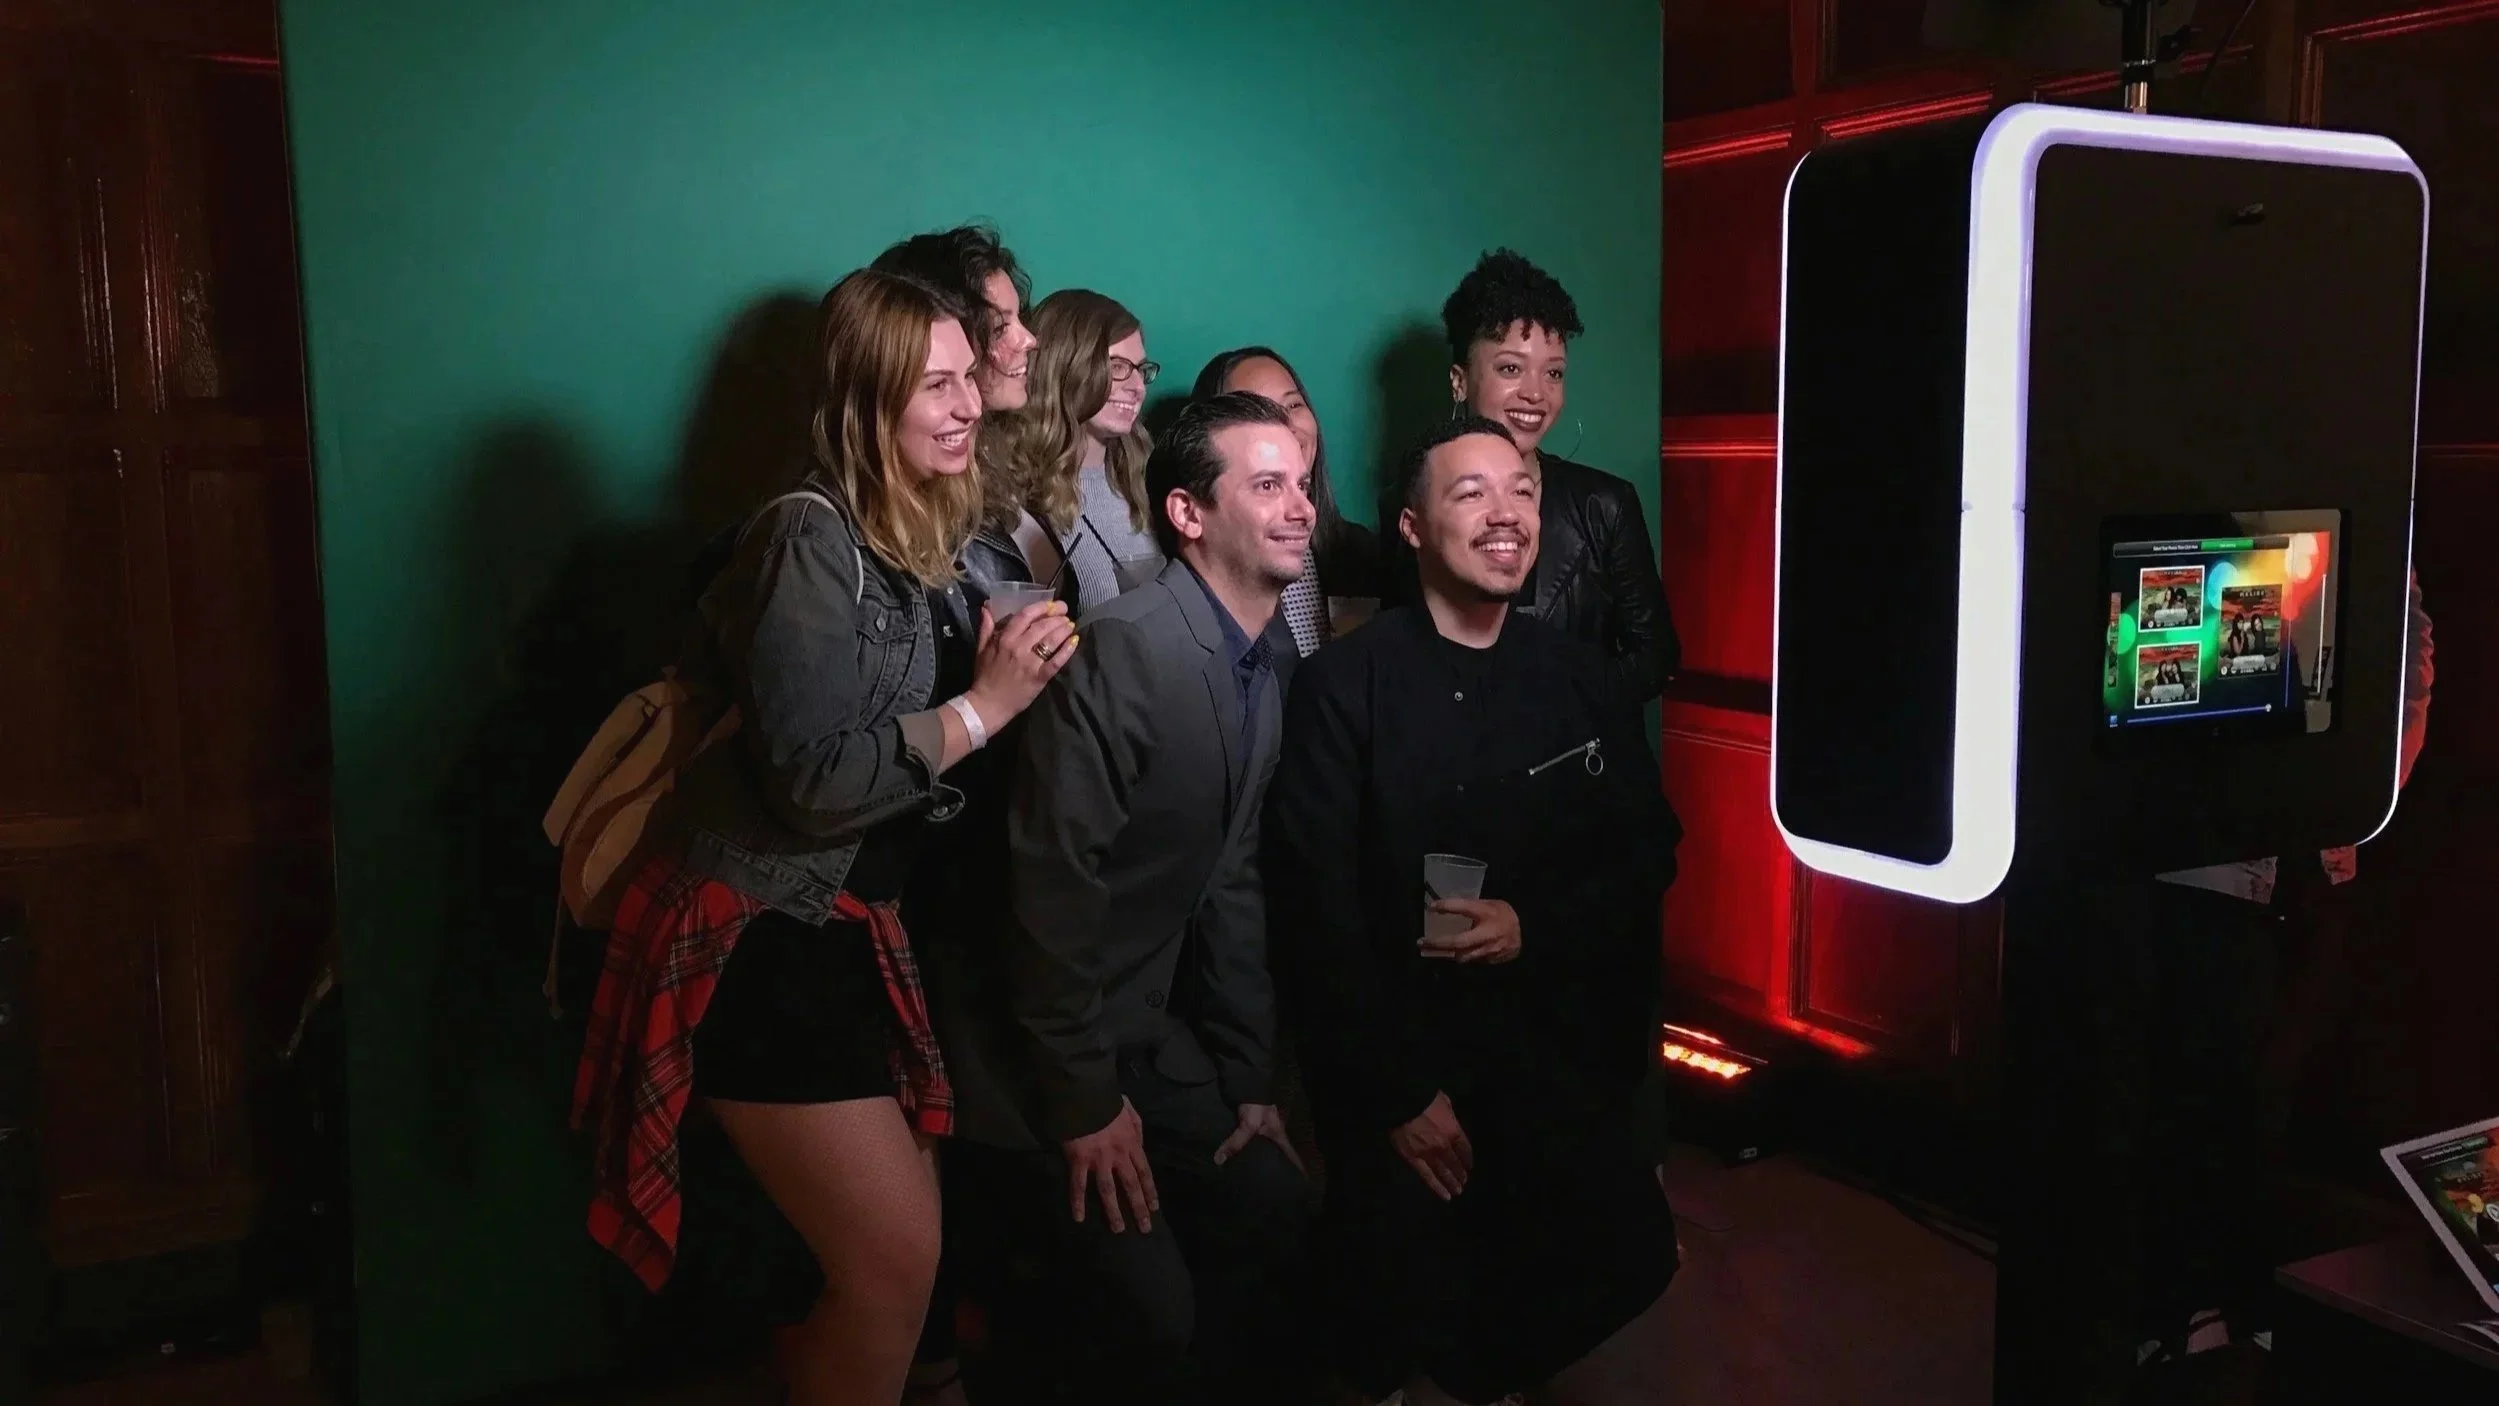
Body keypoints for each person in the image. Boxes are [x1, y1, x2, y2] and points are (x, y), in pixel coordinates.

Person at [570, 268, 1078, 1406]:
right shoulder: (811, 536)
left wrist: (988, 651)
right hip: (761, 942)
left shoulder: (915, 526)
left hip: (845, 934)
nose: (964, 402)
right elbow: (811, 778)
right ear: (865, 401)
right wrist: (985, 704)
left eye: (965, 376)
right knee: (892, 1265)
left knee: (871, 1277)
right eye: (935, 384)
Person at [1269, 415, 1682, 1406]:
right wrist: (1399, 1096)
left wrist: (1533, 924)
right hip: (1405, 1065)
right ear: (1412, 528)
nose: (1507, 515)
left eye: (1523, 491)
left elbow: (1648, 849)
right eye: (1471, 493)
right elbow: (1314, 913)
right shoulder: (1343, 687)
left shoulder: (1578, 677)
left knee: (1601, 1268)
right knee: (1385, 1313)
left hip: (1550, 1050)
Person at [986, 392, 1317, 1404]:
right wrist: (1087, 1103)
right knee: (1148, 1313)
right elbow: (1048, 889)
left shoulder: (1277, 659)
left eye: (1300, 481)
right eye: (1266, 485)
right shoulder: (1127, 646)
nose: (1300, 504)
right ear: (1187, 512)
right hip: (1043, 1054)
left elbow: (1236, 880)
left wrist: (1251, 1075)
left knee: (1276, 1205)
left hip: (1154, 1037)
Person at [1391, 249, 1679, 706]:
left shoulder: (1604, 505)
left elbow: (1654, 658)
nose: (1535, 393)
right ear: (1458, 381)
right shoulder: (1421, 506)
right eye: (1510, 368)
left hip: (1582, 766)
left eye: (1554, 373)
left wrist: (1553, 719)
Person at [1191, 346, 1382, 676]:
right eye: (1258, 410)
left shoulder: (1357, 550)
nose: (1285, 425)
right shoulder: (1204, 570)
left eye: (1293, 404)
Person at [987, 289, 1160, 613]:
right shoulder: (1010, 497)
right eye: (1119, 367)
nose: (1138, 387)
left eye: (1141, 368)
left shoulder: (1148, 478)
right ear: (1064, 367)